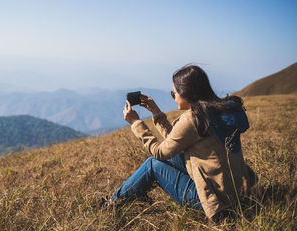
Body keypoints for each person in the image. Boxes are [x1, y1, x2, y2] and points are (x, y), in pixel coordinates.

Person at [104, 64, 252, 220]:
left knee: (153, 165)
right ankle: (130, 195)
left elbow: (160, 152)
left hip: (217, 202)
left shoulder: (193, 118)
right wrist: (156, 113)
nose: (173, 96)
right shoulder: (217, 110)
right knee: (168, 157)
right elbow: (176, 141)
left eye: (174, 92)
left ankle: (113, 203)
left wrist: (135, 123)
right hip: (237, 191)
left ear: (186, 92)